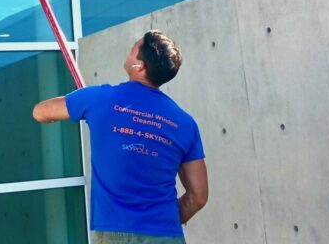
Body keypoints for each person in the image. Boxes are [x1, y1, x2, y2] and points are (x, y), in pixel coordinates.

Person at [33, 30, 208, 244]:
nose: (129, 52)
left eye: (134, 49)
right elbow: (198, 197)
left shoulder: (99, 98)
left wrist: (81, 107)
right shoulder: (185, 123)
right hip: (165, 234)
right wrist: (163, 226)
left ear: (139, 66)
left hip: (113, 234)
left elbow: (40, 112)